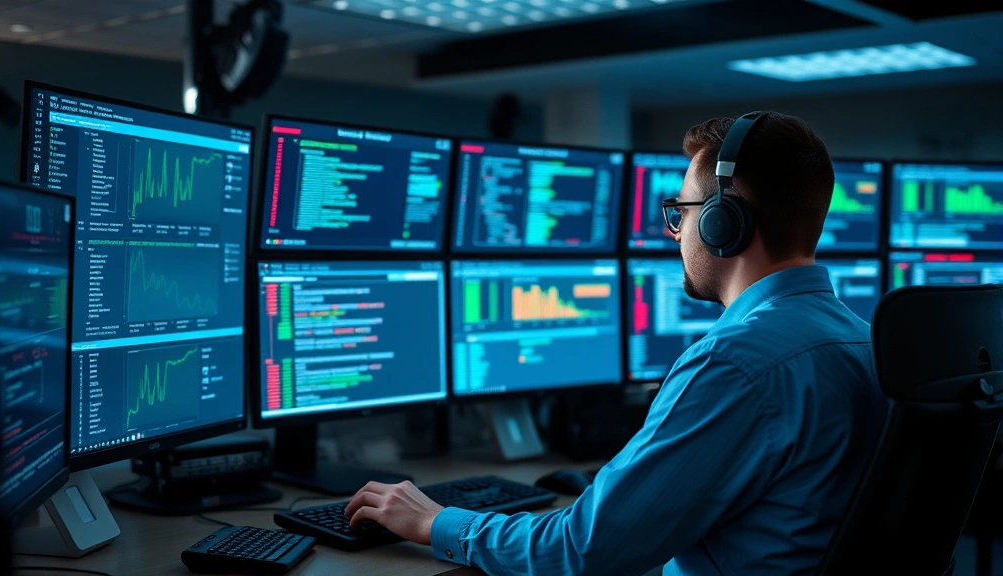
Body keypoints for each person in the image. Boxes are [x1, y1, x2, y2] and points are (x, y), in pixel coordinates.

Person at [344, 112, 890, 575]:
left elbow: (585, 549)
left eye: (682, 213)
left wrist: (435, 521)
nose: (674, 232)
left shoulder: (737, 364)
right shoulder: (866, 343)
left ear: (728, 225)